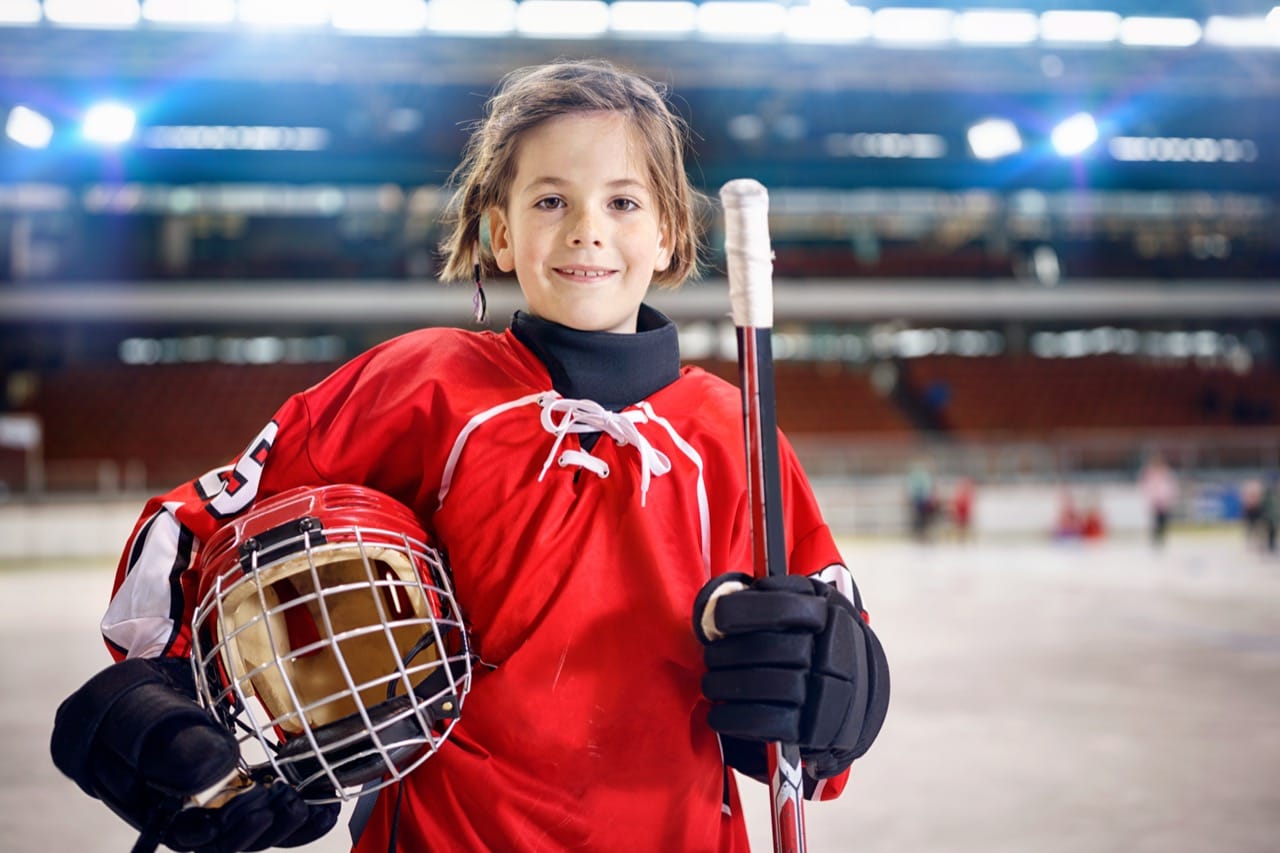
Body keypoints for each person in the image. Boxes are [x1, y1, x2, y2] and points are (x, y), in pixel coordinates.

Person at [50, 59, 890, 852]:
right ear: (499, 229)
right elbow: (201, 527)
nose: (588, 230)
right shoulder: (423, 385)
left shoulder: (734, 435)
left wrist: (836, 695)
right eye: (551, 200)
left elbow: (818, 653)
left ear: (671, 235)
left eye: (624, 203)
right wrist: (152, 702)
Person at [1138, 452, 1179, 549]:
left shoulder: (1166, 474)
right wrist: (1150, 498)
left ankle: (1161, 539)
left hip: (1164, 501)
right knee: (1156, 521)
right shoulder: (1150, 474)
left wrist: (1170, 497)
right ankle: (1155, 539)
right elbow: (1146, 486)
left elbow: (1170, 487)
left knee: (1163, 521)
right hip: (1155, 501)